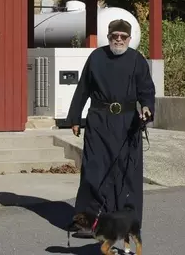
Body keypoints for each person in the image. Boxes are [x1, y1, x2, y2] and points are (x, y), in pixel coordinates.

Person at [67, 19, 156, 238]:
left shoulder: (137, 61)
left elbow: (146, 90)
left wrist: (146, 108)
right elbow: (83, 89)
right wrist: (75, 117)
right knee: (94, 170)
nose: (118, 40)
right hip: (98, 121)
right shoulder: (96, 57)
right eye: (114, 36)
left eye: (123, 37)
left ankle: (126, 224)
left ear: (129, 38)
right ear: (108, 37)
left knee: (126, 174)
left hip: (127, 124)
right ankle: (88, 224)